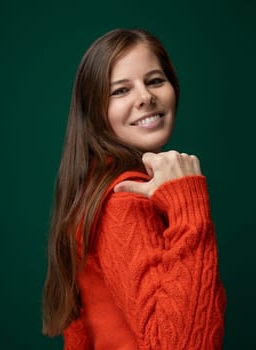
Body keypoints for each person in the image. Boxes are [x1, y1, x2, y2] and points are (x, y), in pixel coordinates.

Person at [42, 28, 226, 349]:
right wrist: (188, 205)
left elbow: (81, 333)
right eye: (120, 91)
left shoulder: (93, 190)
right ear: (94, 111)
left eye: (155, 81)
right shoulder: (124, 200)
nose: (145, 97)